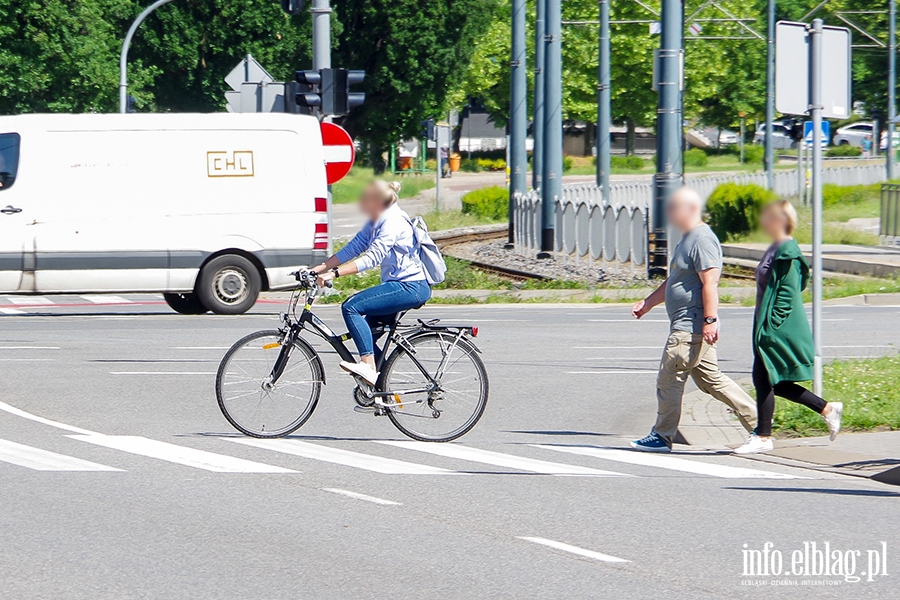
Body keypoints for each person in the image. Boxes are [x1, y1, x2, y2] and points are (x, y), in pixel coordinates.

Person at [630, 187, 757, 453]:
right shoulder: (688, 238)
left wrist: (710, 320)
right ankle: (760, 426)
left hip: (690, 326)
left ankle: (662, 436)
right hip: (692, 323)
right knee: (712, 380)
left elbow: (710, 283)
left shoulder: (702, 239)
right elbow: (675, 281)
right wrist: (648, 303)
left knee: (669, 380)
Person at [735, 200, 843, 454]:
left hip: (775, 328)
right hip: (766, 324)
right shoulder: (775, 247)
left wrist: (772, 324)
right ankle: (827, 408)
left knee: (764, 379)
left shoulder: (788, 252)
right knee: (769, 379)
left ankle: (763, 437)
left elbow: (788, 292)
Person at [311, 180, 432, 386]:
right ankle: (380, 387)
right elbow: (354, 247)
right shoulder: (377, 220)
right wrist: (316, 269)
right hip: (399, 285)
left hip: (411, 287)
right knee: (363, 332)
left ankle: (368, 366)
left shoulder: (392, 221)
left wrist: (335, 274)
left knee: (351, 307)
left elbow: (372, 258)